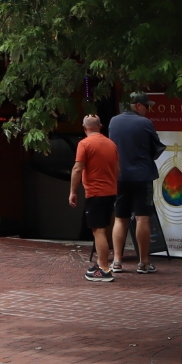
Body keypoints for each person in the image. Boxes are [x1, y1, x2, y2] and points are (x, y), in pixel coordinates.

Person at [107, 91, 163, 274]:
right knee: (142, 217)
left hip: (120, 176)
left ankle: (116, 261)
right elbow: (156, 148)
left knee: (120, 218)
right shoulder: (145, 123)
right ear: (138, 106)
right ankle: (144, 262)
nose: (148, 110)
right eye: (146, 106)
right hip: (142, 176)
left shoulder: (113, 121)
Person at [68, 112, 120, 282]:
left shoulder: (84, 144)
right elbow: (118, 169)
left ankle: (104, 268)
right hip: (110, 191)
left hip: (95, 192)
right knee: (104, 227)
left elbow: (77, 169)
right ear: (100, 126)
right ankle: (100, 263)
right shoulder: (111, 144)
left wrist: (73, 191)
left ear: (84, 128)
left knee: (98, 231)